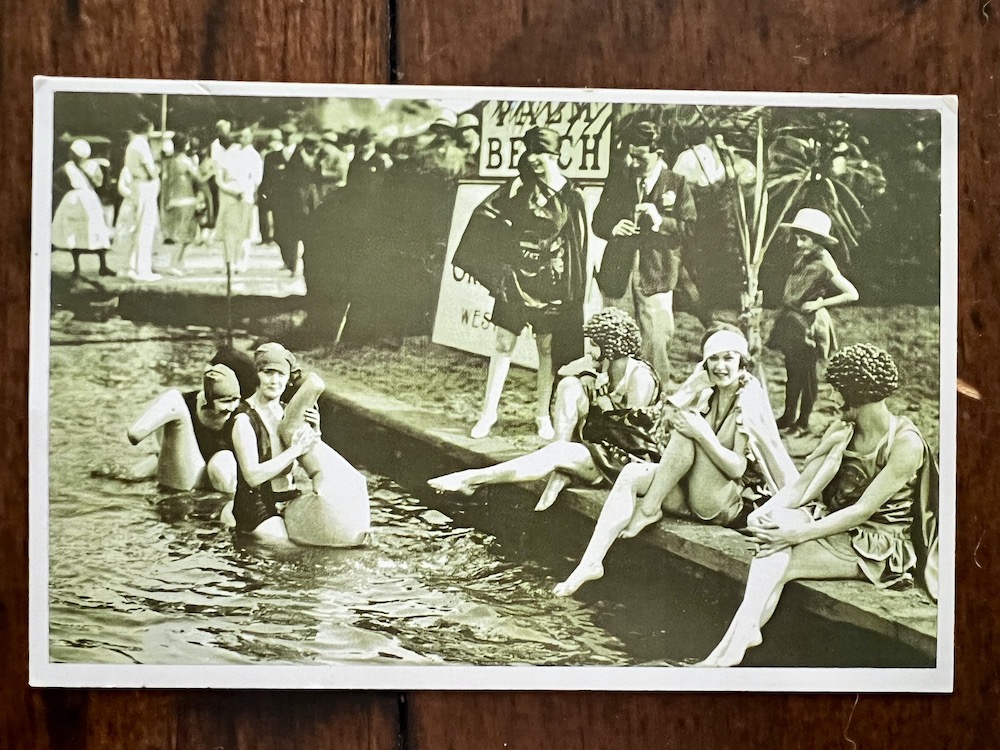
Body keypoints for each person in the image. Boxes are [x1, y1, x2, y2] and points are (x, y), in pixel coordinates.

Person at [697, 344, 939, 667]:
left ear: (856, 393)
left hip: (878, 544)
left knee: (778, 556)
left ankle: (724, 655)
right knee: (774, 535)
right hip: (838, 526)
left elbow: (862, 510)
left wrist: (796, 535)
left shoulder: (904, 443)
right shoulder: (844, 428)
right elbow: (800, 486)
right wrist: (763, 513)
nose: (831, 398)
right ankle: (734, 645)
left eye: (838, 390)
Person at [553, 327, 798, 597]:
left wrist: (703, 435)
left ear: (742, 362)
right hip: (692, 490)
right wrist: (693, 388)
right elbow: (663, 424)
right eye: (713, 359)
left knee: (688, 426)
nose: (720, 366)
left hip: (720, 503)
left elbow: (737, 467)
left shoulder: (748, 398)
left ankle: (649, 508)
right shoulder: (708, 390)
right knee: (633, 473)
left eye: (728, 358)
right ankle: (590, 563)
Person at [427, 308, 660, 509]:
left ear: (611, 347)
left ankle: (472, 479)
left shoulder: (640, 379)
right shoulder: (605, 367)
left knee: (556, 454)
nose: (589, 352)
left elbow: (633, 440)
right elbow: (563, 372)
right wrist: (588, 375)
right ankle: (559, 460)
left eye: (594, 346)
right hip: (600, 448)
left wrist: (604, 406)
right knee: (571, 385)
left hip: (624, 464)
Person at [453, 126, 588, 440]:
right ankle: (488, 413)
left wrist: (571, 287)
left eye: (540, 152)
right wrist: (504, 248)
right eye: (531, 153)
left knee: (546, 348)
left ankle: (542, 414)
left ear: (555, 154)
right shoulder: (518, 185)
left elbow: (577, 246)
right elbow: (484, 214)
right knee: (503, 343)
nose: (534, 159)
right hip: (516, 278)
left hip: (550, 282)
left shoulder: (572, 194)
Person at [228, 343, 370, 544]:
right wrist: (294, 450)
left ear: (288, 379)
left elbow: (309, 466)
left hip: (290, 499)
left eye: (281, 374)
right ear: (256, 374)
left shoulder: (288, 414)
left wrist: (316, 433)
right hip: (256, 505)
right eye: (267, 372)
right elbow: (252, 476)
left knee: (332, 546)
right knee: (288, 552)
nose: (274, 380)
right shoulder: (243, 419)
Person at [593, 120, 697, 384]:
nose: (632, 161)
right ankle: (615, 395)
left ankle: (654, 397)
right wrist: (614, 227)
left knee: (657, 338)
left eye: (640, 156)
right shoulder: (619, 179)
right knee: (615, 334)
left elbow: (689, 231)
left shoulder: (677, 183)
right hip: (617, 273)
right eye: (630, 154)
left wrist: (660, 219)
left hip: (657, 275)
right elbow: (598, 221)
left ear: (658, 153)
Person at [767, 208, 859, 433]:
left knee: (807, 374)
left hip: (810, 323)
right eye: (797, 237)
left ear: (817, 239)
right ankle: (788, 416)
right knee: (791, 371)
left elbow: (852, 293)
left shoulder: (824, 260)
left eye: (804, 238)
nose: (799, 243)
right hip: (792, 321)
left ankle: (804, 421)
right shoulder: (800, 256)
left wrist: (820, 304)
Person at [671, 128, 757, 315]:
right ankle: (704, 299)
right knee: (705, 254)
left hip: (720, 213)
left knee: (715, 254)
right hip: (705, 210)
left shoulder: (725, 156)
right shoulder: (694, 156)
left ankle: (718, 299)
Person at [126, 363, 243, 492]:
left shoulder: (240, 416)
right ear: (206, 400)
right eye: (225, 402)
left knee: (222, 461)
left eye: (235, 400)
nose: (232, 407)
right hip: (187, 473)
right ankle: (139, 429)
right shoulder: (188, 403)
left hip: (214, 479)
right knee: (132, 475)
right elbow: (162, 445)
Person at [51, 139, 115, 278]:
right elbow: (99, 184)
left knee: (76, 232)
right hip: (88, 199)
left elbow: (56, 180)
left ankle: (78, 268)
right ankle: (101, 266)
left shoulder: (67, 167)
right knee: (95, 230)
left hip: (74, 198)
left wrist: (66, 190)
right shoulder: (91, 165)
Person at [114, 118, 161, 281]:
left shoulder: (132, 144)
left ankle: (133, 267)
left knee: (138, 227)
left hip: (137, 186)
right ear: (148, 129)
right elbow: (151, 171)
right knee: (145, 228)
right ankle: (143, 270)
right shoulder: (141, 144)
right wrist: (158, 169)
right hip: (144, 186)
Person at [215, 126, 263, 274]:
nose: (242, 139)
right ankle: (229, 262)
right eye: (240, 136)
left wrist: (245, 191)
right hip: (228, 196)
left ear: (251, 138)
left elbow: (256, 180)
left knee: (243, 231)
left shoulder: (254, 156)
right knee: (229, 230)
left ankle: (241, 262)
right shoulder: (229, 154)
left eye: (246, 136)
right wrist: (230, 189)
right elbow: (220, 177)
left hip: (245, 196)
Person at [160, 135, 206, 275]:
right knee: (183, 235)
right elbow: (199, 178)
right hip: (185, 199)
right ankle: (174, 264)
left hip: (176, 199)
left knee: (186, 236)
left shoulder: (171, 161)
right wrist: (212, 170)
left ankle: (179, 263)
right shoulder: (185, 161)